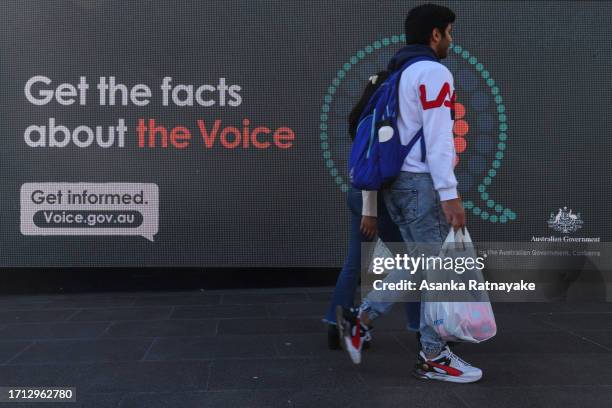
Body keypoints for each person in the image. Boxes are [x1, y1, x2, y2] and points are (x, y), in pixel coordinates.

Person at [336, 4, 483, 383]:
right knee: (439, 270)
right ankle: (434, 356)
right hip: (419, 185)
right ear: (435, 34)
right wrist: (449, 194)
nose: (451, 39)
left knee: (419, 262)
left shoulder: (397, 74)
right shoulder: (433, 72)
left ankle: (362, 319)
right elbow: (439, 137)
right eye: (449, 32)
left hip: (395, 185)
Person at [323, 73, 421, 350]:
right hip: (373, 201)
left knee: (354, 263)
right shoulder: (381, 120)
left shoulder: (363, 119)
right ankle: (418, 328)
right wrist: (370, 211)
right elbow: (372, 169)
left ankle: (335, 324)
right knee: (413, 262)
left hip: (359, 196)